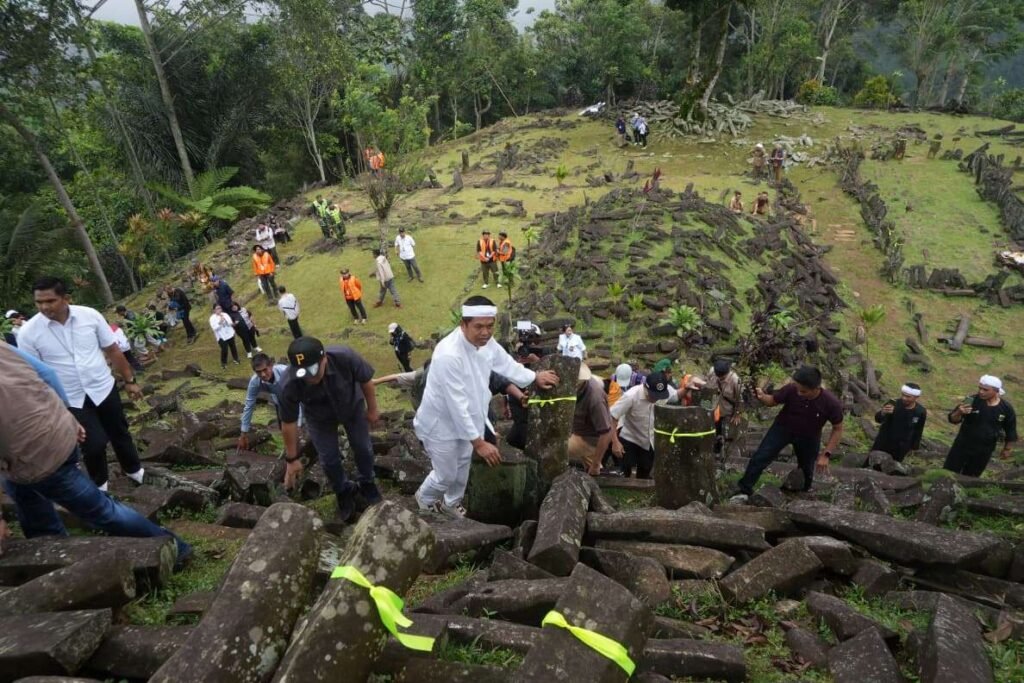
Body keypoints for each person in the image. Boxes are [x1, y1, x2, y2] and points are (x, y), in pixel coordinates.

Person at [0, 344, 191, 566]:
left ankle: (175, 548)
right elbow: (47, 373)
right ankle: (49, 552)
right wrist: (68, 414)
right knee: (24, 495)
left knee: (101, 510)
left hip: (35, 454)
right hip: (55, 427)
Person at [414, 296, 558, 516]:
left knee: (463, 465)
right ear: (463, 324)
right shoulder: (448, 355)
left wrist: (533, 377)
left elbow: (505, 363)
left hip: (471, 418)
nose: (485, 332)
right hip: (441, 424)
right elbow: (456, 405)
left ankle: (451, 503)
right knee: (446, 474)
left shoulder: (486, 343)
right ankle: (425, 499)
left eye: (490, 326)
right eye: (479, 326)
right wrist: (479, 443)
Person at [18, 277, 147, 492]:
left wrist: (129, 381)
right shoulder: (28, 333)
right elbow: (33, 375)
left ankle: (133, 469)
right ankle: (100, 485)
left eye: (50, 301)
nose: (44, 307)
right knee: (93, 444)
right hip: (70, 398)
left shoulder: (90, 316)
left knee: (119, 431)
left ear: (66, 298)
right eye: (39, 302)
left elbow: (112, 349)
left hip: (103, 387)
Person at [279, 337, 381, 522]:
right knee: (328, 459)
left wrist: (372, 410)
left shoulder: (345, 357)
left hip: (352, 407)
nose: (309, 378)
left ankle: (367, 482)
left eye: (312, 370)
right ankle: (343, 490)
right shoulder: (289, 383)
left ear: (324, 358)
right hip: (319, 419)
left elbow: (366, 381)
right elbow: (288, 422)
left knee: (363, 448)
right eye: (303, 373)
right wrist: (292, 459)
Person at [731, 366, 844, 501]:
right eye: (798, 389)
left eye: (804, 391)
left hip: (809, 437)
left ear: (816, 388)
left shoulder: (831, 403)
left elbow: (838, 428)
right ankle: (744, 489)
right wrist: (762, 397)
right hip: (782, 429)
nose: (799, 393)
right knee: (761, 457)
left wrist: (826, 454)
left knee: (807, 469)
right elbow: (773, 401)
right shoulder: (791, 389)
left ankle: (802, 494)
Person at [944, 375, 1017, 477]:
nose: (981, 392)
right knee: (949, 473)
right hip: (962, 445)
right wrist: (959, 412)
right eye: (980, 388)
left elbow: (1011, 430)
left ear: (996, 391)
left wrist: (1007, 449)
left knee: (972, 476)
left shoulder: (1006, 408)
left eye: (985, 390)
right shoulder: (972, 400)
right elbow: (953, 419)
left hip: (984, 450)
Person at [610, 371, 670, 479]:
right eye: (653, 396)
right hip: (630, 437)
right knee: (625, 471)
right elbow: (612, 417)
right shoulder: (631, 396)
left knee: (645, 472)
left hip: (650, 440)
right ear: (645, 388)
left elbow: (676, 396)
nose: (655, 399)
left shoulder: (662, 396)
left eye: (658, 397)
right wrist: (615, 442)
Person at [237, 353, 297, 450]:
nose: (263, 375)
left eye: (265, 370)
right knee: (285, 430)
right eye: (258, 372)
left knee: (300, 428)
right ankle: (289, 449)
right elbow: (249, 405)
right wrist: (243, 434)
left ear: (271, 365)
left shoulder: (285, 372)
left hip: (298, 400)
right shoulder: (255, 382)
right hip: (280, 403)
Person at [569, 364, 615, 476]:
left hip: (588, 438)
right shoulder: (581, 387)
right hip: (577, 428)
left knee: (556, 447)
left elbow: (606, 432)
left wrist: (595, 464)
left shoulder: (595, 399)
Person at [872, 382, 926, 463]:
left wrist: (914, 447)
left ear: (916, 397)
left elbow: (918, 430)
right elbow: (878, 419)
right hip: (883, 442)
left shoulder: (920, 411)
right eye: (903, 395)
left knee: (892, 467)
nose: (904, 398)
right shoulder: (893, 404)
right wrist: (883, 413)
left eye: (908, 396)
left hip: (901, 447)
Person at [705, 359, 743, 452]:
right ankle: (715, 448)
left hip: (727, 409)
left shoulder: (735, 380)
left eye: (722, 377)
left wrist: (737, 413)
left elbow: (740, 399)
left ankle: (724, 450)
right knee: (714, 428)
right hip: (714, 406)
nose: (720, 379)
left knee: (725, 432)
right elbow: (707, 383)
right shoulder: (712, 372)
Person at [209, 304, 240, 369]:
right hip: (221, 336)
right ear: (214, 310)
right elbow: (214, 328)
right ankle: (223, 363)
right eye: (217, 308)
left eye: (220, 308)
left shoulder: (225, 314)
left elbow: (230, 323)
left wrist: (227, 321)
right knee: (224, 349)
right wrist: (220, 322)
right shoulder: (212, 318)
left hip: (229, 333)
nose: (219, 310)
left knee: (233, 346)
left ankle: (236, 358)